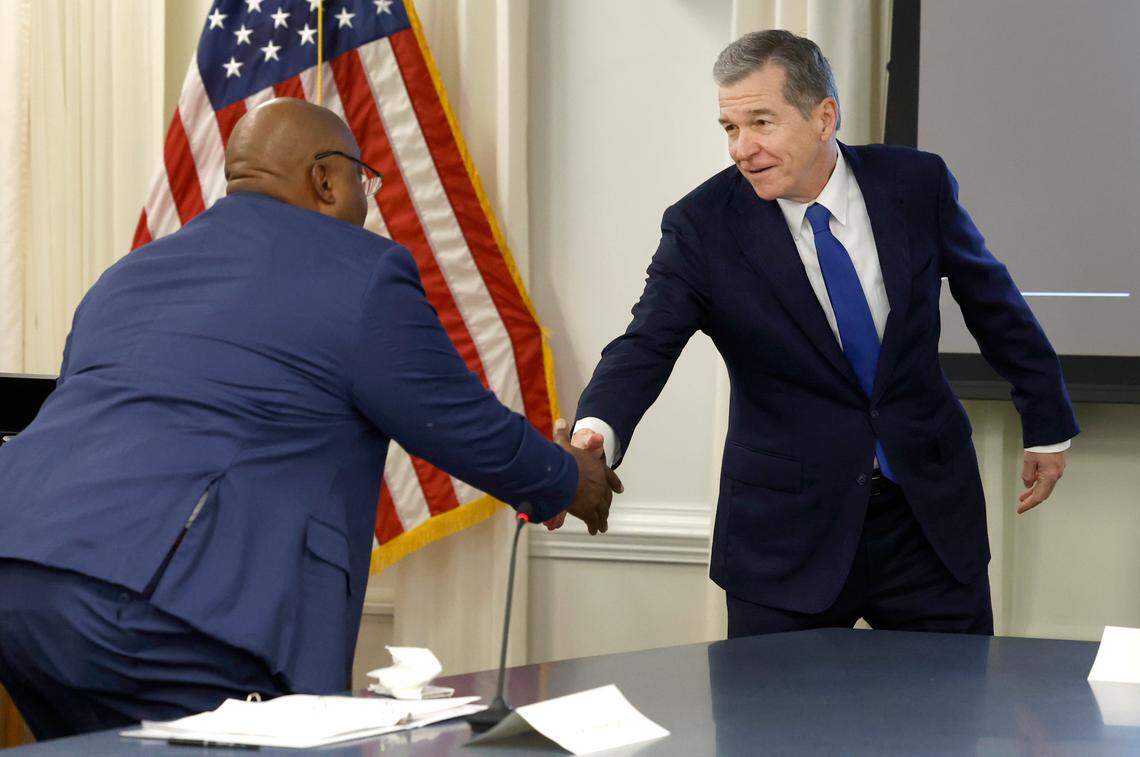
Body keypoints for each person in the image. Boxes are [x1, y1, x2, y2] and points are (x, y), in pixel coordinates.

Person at [0, 98, 618, 740]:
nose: (366, 202)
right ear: (325, 179)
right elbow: (449, 418)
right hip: (168, 605)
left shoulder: (126, 275)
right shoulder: (360, 270)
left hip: (18, 578)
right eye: (361, 180)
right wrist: (568, 478)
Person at [569, 30, 1077, 637]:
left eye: (762, 122)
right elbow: (645, 344)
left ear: (823, 116)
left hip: (928, 524)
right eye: (730, 128)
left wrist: (1047, 422)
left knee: (952, 722)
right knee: (771, 733)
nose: (742, 148)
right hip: (785, 538)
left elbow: (994, 303)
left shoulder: (916, 184)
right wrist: (596, 431)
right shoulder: (702, 226)